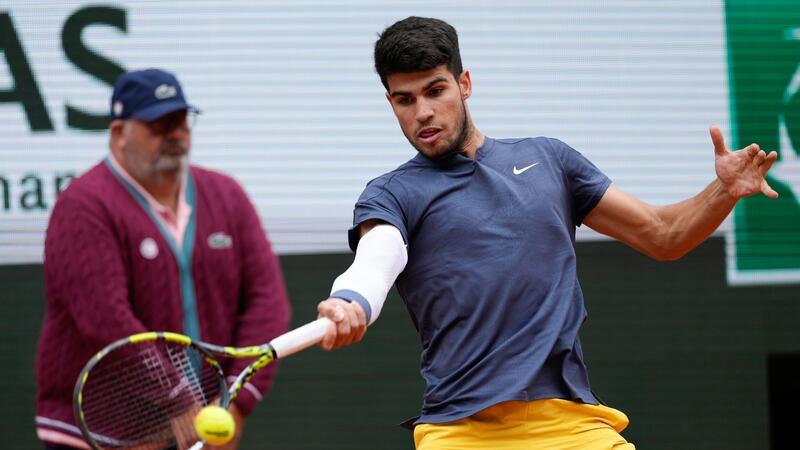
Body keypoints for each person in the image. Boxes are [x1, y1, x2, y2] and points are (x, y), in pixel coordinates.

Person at [314, 16, 778, 450]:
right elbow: (376, 259)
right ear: (391, 104)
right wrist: (351, 301)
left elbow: (664, 235)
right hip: (460, 432)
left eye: (436, 90)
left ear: (465, 83)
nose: (423, 113)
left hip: (573, 424)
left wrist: (723, 191)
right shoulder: (391, 194)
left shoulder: (550, 160)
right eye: (405, 100)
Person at [34, 68, 291, 450]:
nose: (174, 134)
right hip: (100, 437)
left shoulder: (227, 195)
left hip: (201, 429)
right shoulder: (83, 206)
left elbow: (268, 302)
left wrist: (235, 401)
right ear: (119, 133)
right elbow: (104, 319)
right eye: (158, 124)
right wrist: (179, 401)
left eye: (181, 121)